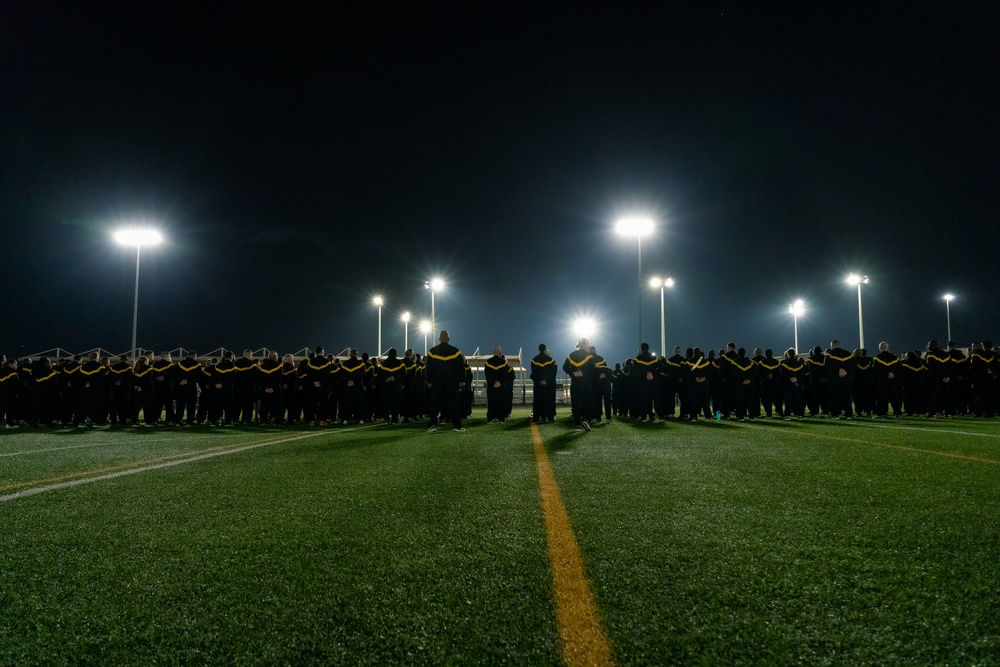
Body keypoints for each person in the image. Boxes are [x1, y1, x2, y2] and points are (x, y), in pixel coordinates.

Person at [425, 330, 466, 432]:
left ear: (439, 339)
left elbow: (428, 368)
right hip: (451, 381)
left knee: (435, 403)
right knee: (453, 403)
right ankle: (457, 426)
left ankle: (433, 424)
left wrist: (428, 380)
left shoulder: (432, 351)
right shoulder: (456, 352)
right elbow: (461, 367)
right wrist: (462, 380)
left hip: (437, 381)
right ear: (448, 339)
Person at [563, 337, 596, 430]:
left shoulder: (571, 355)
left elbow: (564, 367)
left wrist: (573, 373)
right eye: (588, 344)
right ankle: (586, 420)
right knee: (587, 403)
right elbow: (593, 370)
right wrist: (583, 373)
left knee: (576, 403)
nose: (589, 346)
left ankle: (577, 423)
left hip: (575, 383)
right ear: (584, 344)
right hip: (586, 383)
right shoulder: (590, 356)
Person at [629, 342, 660, 422]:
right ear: (648, 348)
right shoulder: (655, 358)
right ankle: (660, 416)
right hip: (653, 381)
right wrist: (652, 374)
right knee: (656, 398)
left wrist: (645, 374)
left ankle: (643, 417)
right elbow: (661, 368)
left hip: (643, 381)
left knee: (644, 399)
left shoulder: (637, 359)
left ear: (641, 349)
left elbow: (634, 371)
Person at [826, 340, 855, 419]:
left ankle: (835, 414)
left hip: (834, 378)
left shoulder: (830, 354)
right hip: (845, 378)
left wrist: (838, 371)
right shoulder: (848, 354)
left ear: (832, 345)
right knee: (846, 396)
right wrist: (845, 371)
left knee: (835, 396)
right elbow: (853, 365)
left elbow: (828, 366)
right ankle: (848, 414)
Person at [872, 341, 901, 418]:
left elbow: (876, 370)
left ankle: (882, 413)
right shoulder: (895, 358)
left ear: (880, 348)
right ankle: (897, 413)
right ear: (887, 348)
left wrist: (885, 374)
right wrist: (893, 374)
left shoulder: (877, 358)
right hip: (892, 380)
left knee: (881, 398)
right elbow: (899, 369)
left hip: (882, 381)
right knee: (894, 397)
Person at [378, 348, 406, 424]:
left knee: (386, 402)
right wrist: (395, 378)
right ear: (396, 354)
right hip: (396, 385)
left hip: (386, 385)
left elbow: (379, 375)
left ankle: (386, 418)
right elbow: (403, 374)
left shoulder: (383, 364)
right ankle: (395, 419)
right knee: (395, 403)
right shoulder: (400, 363)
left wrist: (387, 379)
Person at [530, 344, 557, 423]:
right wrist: (546, 380)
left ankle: (537, 417)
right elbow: (553, 373)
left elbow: (533, 373)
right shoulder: (552, 360)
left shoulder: (534, 360)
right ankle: (550, 417)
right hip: (549, 385)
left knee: (538, 400)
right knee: (549, 400)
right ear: (545, 349)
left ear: (539, 349)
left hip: (538, 385)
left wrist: (540, 380)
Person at [175, 351, 202, 426]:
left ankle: (178, 420)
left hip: (181, 386)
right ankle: (190, 420)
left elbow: (175, 375)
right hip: (191, 387)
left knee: (180, 404)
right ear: (195, 356)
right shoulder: (197, 365)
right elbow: (199, 377)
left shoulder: (180, 363)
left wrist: (180, 381)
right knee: (191, 404)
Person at [484, 346, 509, 423]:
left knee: (491, 402)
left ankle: (490, 418)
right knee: (501, 402)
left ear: (493, 352)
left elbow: (487, 375)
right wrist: (499, 382)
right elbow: (505, 374)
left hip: (491, 386)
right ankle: (501, 418)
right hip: (500, 386)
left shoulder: (488, 362)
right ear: (499, 352)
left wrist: (492, 383)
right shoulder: (504, 362)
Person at [780, 348, 806, 419]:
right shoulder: (799, 364)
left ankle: (788, 414)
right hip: (797, 383)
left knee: (788, 399)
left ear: (788, 354)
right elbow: (803, 374)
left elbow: (782, 375)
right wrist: (796, 379)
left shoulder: (785, 364)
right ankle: (800, 414)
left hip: (788, 384)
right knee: (798, 399)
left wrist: (789, 379)